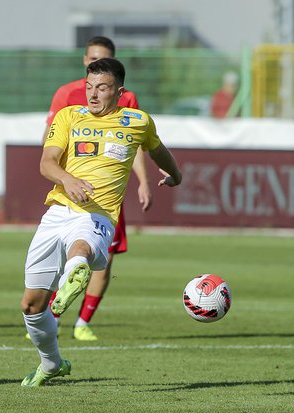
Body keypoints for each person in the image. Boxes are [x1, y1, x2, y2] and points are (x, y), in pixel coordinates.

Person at [20, 57, 181, 386]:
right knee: (31, 304)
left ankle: (75, 272)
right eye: (89, 87)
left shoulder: (137, 121)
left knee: (81, 248)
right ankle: (51, 363)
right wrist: (68, 179)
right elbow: (47, 163)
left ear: (119, 92)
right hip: (58, 212)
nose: (92, 94)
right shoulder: (69, 116)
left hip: (99, 214)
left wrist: (175, 175)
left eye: (102, 88)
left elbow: (158, 150)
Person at [39, 36, 152, 342]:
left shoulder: (128, 101)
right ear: (84, 60)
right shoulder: (67, 94)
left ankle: (82, 322)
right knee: (66, 252)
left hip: (109, 192)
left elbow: (136, 143)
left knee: (106, 256)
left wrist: (143, 180)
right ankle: (49, 315)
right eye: (91, 59)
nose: (94, 65)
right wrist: (65, 176)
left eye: (101, 59)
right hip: (73, 188)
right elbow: (50, 140)